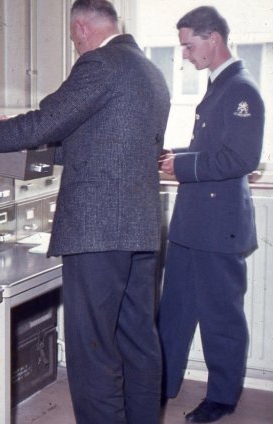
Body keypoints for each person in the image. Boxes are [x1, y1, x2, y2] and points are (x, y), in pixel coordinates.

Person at [0, 1, 170, 422]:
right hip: (140, 227)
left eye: (72, 39)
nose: (75, 46)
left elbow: (45, 121)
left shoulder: (100, 63)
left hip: (98, 230)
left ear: (81, 28)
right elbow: (97, 143)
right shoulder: (150, 71)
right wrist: (19, 137)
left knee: (93, 352)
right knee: (139, 341)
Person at [157, 6, 265, 424]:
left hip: (219, 227)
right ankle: (160, 386)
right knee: (174, 311)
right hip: (193, 224)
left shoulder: (241, 89)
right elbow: (211, 146)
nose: (185, 54)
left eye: (188, 46)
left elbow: (241, 158)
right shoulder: (219, 86)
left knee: (221, 318)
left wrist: (182, 166)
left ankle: (222, 398)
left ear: (213, 39)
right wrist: (176, 155)